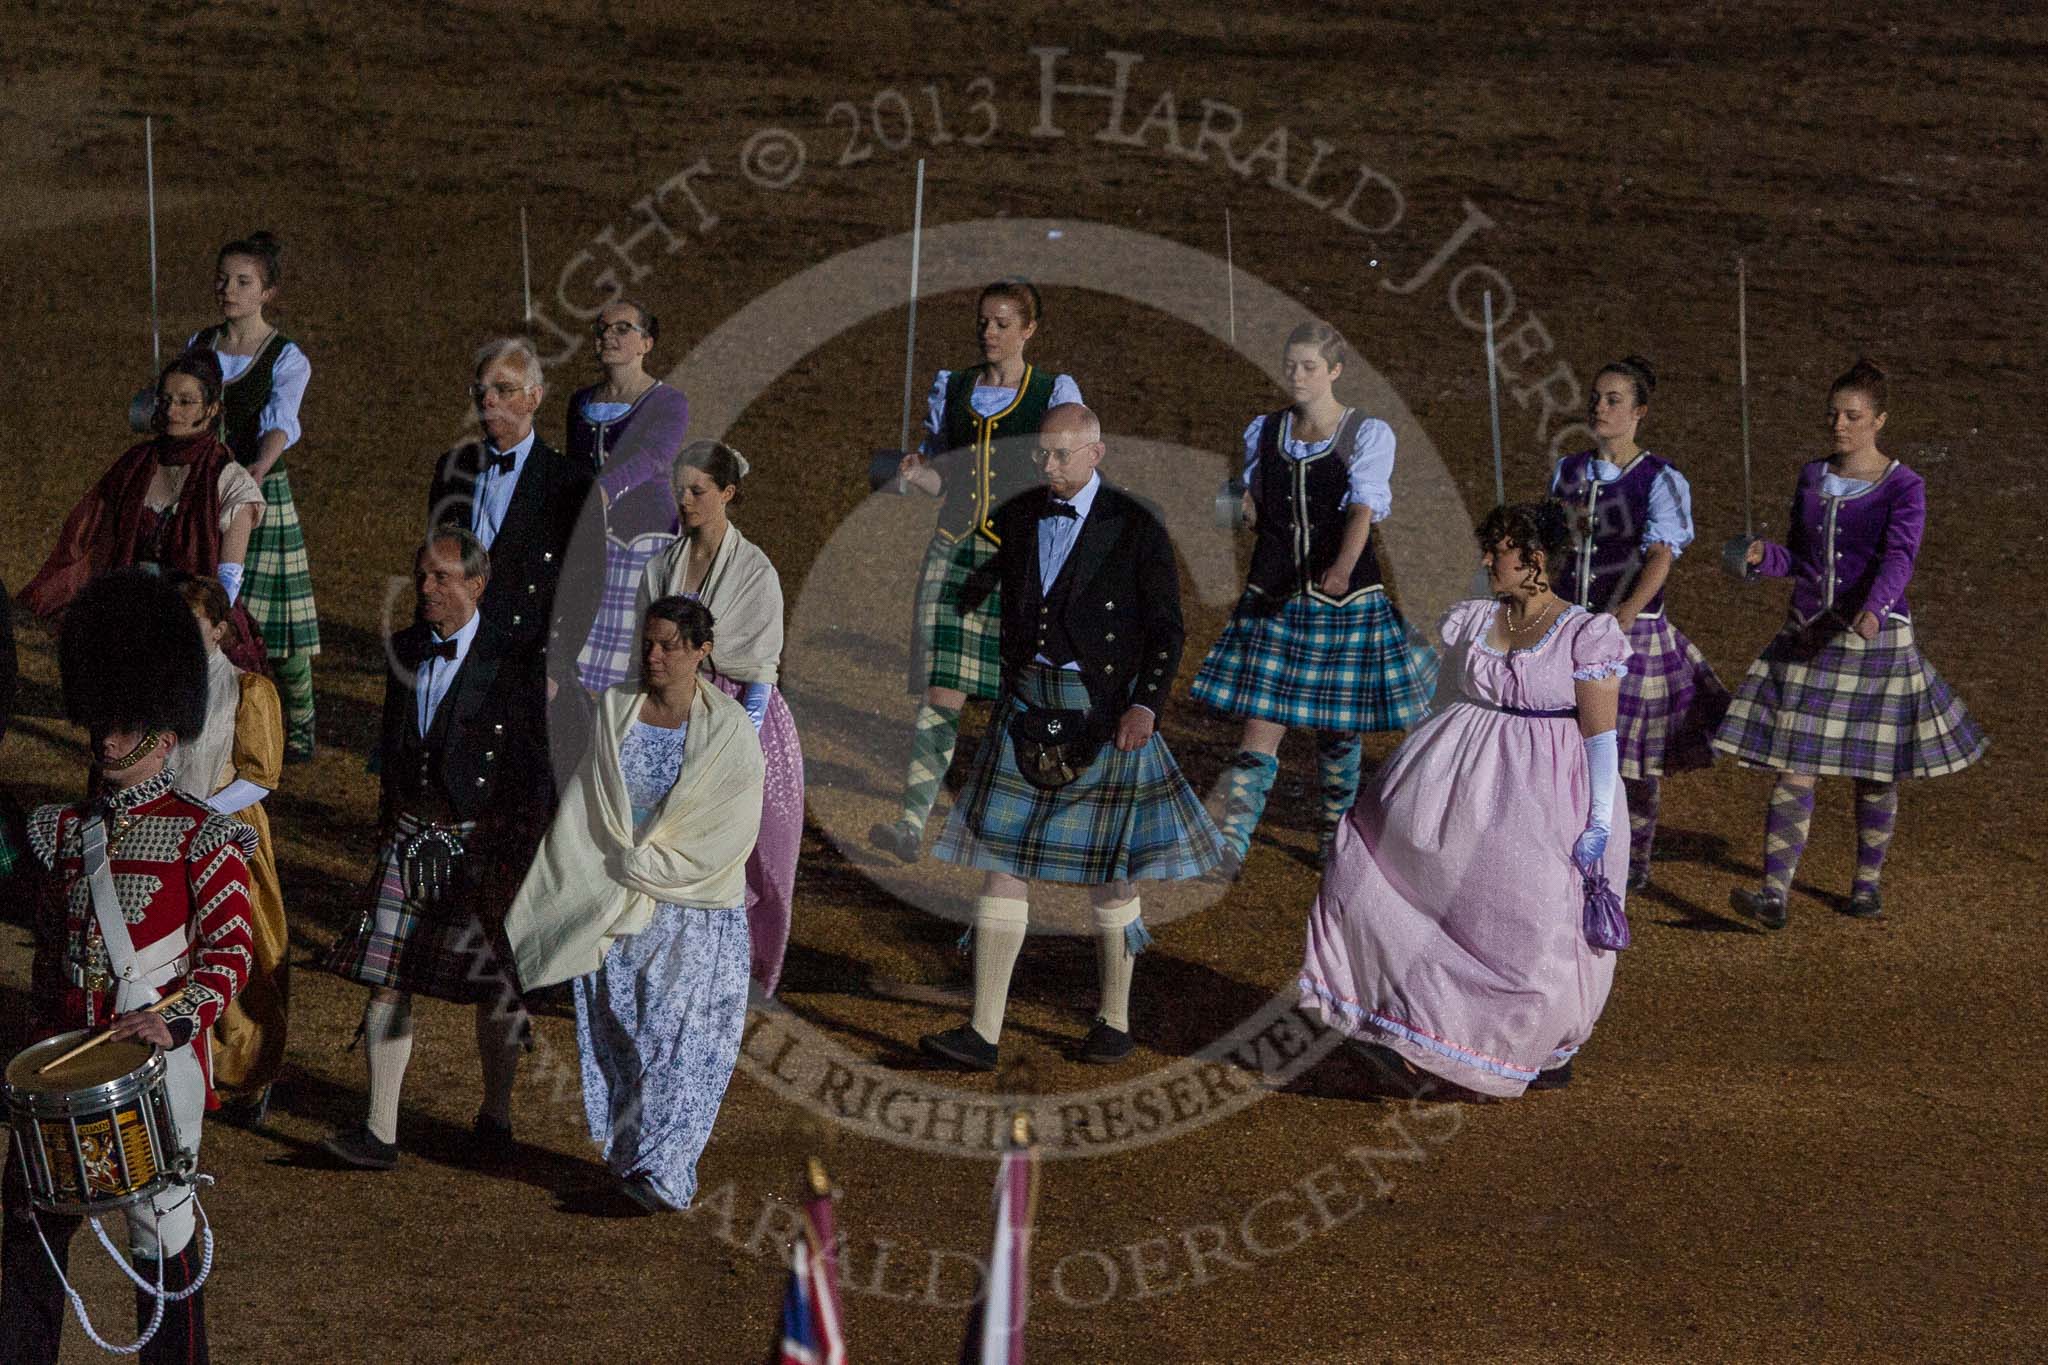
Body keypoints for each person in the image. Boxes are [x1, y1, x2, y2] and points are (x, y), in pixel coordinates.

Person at [919, 405, 1224, 1070]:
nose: (1048, 465)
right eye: (1043, 454)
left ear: (1095, 453)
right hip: (1028, 701)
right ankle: (982, 1032)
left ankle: (1114, 1020)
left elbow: (1167, 628)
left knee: (1111, 874)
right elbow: (1002, 584)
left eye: (1061, 454)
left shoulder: (1135, 522)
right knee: (1002, 859)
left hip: (1103, 710)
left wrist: (1144, 705)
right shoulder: (1022, 512)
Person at [1, 569, 255, 1364]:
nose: (106, 737)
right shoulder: (60, 831)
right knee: (28, 1238)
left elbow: (230, 955)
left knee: (162, 1249)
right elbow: (50, 947)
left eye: (125, 723)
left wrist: (171, 1020)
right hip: (60, 1063)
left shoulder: (205, 836)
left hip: (152, 1071)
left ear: (166, 734)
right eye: (102, 720)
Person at [1298, 502, 1631, 1098]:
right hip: (1460, 776)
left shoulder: (1585, 635)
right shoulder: (1475, 620)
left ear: (1534, 560)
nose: (1486, 560)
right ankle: (1417, 1033)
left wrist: (1599, 822)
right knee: (1374, 870)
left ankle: (1527, 1047)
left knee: (1528, 922)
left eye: (1498, 550)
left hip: (1547, 793)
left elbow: (1600, 738)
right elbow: (1445, 700)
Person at [503, 597, 764, 1213]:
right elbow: (589, 805)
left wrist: (652, 865)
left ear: (702, 651)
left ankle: (665, 1176)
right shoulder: (616, 709)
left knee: (677, 1037)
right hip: (614, 897)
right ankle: (631, 1159)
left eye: (670, 644)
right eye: (648, 642)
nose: (654, 655)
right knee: (619, 1034)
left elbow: (731, 827)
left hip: (692, 909)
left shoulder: (728, 729)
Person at [1715, 359, 1986, 928]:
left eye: (1853, 416)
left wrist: (1874, 609)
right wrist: (1763, 558)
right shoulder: (1812, 476)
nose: (1839, 424)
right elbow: (1799, 556)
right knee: (1794, 763)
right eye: (1834, 414)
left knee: (1875, 770)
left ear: (1879, 420)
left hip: (1874, 640)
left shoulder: (1905, 485)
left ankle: (1866, 884)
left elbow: (1900, 556)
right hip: (1811, 633)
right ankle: (1773, 894)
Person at [320, 529, 549, 1170]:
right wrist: (387, 824)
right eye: (421, 575)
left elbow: (535, 773)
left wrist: (513, 860)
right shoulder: (405, 648)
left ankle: (496, 1120)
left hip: (483, 845)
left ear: (477, 585)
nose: (424, 588)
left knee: (494, 986)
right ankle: (379, 1131)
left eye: (441, 578)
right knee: (386, 979)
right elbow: (394, 748)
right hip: (409, 833)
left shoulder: (514, 664)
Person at [1192, 321, 1437, 875]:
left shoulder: (1367, 433)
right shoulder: (1265, 430)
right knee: (1261, 722)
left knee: (1338, 731)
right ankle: (1231, 842)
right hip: (1276, 595)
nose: (1298, 376)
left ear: (1335, 371)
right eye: (1291, 366)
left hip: (1341, 602)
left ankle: (1335, 838)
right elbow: (1256, 513)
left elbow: (1363, 510)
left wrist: (1343, 568)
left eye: (1309, 367)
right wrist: (1233, 504)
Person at [870, 279, 1083, 864]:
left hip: (1023, 559)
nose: (989, 333)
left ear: (1028, 330)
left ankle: (1024, 820)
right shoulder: (955, 387)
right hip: (954, 550)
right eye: (984, 322)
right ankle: (911, 822)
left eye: (1003, 324)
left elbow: (1074, 473)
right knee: (943, 689)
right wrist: (916, 475)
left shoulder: (1053, 394)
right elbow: (944, 476)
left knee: (1025, 691)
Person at [1549, 356, 1730, 889]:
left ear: (1639, 412)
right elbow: (1552, 547)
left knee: (1630, 757)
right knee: (1565, 744)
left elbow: (1660, 555)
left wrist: (1625, 612)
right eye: (1596, 398)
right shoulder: (1568, 470)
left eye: (1614, 400)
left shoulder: (1661, 479)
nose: (1599, 408)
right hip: (1570, 627)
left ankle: (1634, 860)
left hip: (1631, 634)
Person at [636, 441, 802, 995]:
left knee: (742, 854)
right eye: (679, 490)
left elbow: (760, 674)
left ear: (727, 493)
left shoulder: (756, 571)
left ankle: (727, 975)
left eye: (697, 490)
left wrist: (734, 750)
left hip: (739, 717)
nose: (685, 500)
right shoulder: (661, 565)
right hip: (670, 710)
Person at [20, 352, 267, 673]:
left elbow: (227, 581)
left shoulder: (231, 481)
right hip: (128, 613)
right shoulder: (136, 464)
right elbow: (90, 538)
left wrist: (191, 629)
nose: (172, 411)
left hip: (194, 623)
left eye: (185, 402)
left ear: (211, 409)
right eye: (165, 400)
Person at [429, 337, 604, 776]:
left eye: (503, 390)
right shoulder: (451, 469)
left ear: (533, 398)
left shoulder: (570, 484)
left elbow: (585, 586)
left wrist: (555, 670)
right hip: (457, 653)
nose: (488, 401)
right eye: (481, 391)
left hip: (527, 662)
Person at [186, 231, 320, 761]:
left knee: (274, 624)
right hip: (204, 492)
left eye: (243, 282)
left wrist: (258, 468)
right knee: (209, 608)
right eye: (223, 279)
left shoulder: (286, 357)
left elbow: (281, 421)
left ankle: (301, 721)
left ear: (267, 293)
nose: (229, 290)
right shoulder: (199, 345)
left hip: (259, 496)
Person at [170, 573, 288, 1128]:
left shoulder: (247, 690)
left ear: (219, 630)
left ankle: (246, 1072)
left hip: (226, 832)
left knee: (237, 948)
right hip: (168, 832)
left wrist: (204, 815)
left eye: (191, 623)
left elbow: (260, 776)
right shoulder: (160, 685)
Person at [569, 300, 692, 691]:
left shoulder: (668, 402)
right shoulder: (580, 401)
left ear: (646, 343)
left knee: (634, 642)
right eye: (602, 329)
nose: (609, 336)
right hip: (589, 537)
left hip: (644, 535)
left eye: (623, 329)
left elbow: (654, 457)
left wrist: (604, 493)